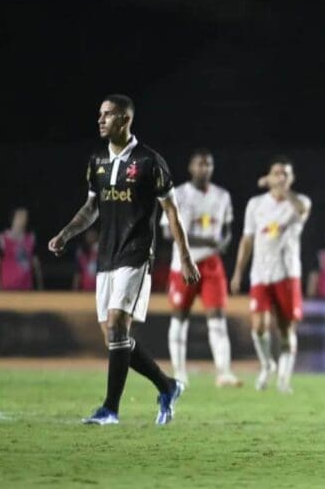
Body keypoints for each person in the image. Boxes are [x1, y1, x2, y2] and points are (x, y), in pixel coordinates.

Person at [48, 93, 200, 426]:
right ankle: (168, 385)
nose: (100, 120)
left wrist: (185, 256)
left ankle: (110, 409)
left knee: (118, 324)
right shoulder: (97, 160)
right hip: (107, 255)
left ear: (125, 119)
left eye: (107, 115)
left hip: (136, 253)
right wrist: (65, 234)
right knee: (114, 339)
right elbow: (91, 208)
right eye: (100, 114)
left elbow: (171, 211)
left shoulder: (149, 161)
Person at [230, 157, 311, 393]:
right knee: (259, 327)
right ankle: (267, 365)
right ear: (269, 175)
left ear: (291, 178)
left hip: (287, 274)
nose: (281, 177)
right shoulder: (256, 204)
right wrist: (237, 272)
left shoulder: (299, 201)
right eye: (277, 173)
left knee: (286, 330)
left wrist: (282, 190)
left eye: (285, 174)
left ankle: (284, 380)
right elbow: (247, 239)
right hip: (260, 275)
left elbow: (302, 209)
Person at [161, 148, 241, 387]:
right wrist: (206, 241)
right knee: (179, 317)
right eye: (199, 164)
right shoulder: (178, 194)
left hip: (211, 264)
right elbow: (167, 231)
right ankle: (179, 372)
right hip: (184, 263)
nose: (204, 168)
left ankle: (224, 373)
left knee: (217, 318)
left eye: (208, 164)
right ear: (191, 167)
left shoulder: (222, 196)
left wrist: (223, 242)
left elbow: (226, 230)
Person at [0, 208, 44, 290]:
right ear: (13, 218)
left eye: (25, 216)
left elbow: (36, 265)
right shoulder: (2, 239)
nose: (23, 219)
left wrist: (40, 286)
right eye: (20, 216)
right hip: (7, 289)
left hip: (27, 289)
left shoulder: (31, 239)